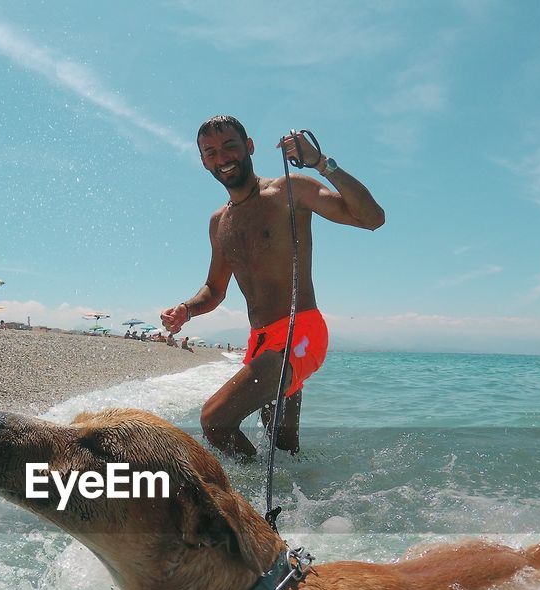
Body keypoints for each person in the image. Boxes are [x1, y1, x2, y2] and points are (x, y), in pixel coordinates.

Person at [161, 116, 384, 458]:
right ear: (204, 160)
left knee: (214, 421)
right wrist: (187, 309)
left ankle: (243, 506)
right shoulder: (218, 222)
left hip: (300, 331)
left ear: (249, 146)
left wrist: (322, 163)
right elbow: (214, 288)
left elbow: (372, 218)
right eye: (211, 152)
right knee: (282, 450)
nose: (222, 158)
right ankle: (303, 503)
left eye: (230, 146)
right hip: (260, 343)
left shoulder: (288, 191)